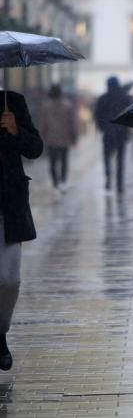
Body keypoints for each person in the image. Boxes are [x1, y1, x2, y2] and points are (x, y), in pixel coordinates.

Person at [0, 90, 43, 370]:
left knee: (8, 280)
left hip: (7, 206)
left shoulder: (11, 101)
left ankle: (0, 331)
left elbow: (35, 148)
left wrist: (15, 130)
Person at [94, 76, 130, 192]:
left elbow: (97, 116)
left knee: (107, 158)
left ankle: (108, 176)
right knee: (120, 160)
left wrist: (102, 128)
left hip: (108, 133)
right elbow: (128, 115)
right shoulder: (124, 98)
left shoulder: (103, 98)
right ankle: (119, 184)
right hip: (121, 133)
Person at [40, 84, 78, 191]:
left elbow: (43, 124)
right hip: (64, 138)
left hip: (51, 138)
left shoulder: (46, 106)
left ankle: (55, 183)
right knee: (64, 161)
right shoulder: (68, 106)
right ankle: (63, 181)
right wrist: (74, 136)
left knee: (52, 162)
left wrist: (42, 137)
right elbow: (72, 123)